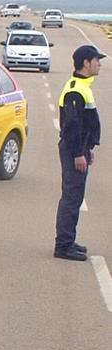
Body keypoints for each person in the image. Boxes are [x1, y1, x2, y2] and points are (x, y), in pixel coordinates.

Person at [54, 45, 105, 261]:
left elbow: (84, 124)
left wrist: (89, 148)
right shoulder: (76, 89)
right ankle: (63, 246)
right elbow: (72, 125)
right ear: (86, 62)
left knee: (74, 196)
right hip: (74, 149)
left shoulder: (83, 85)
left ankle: (68, 240)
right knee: (72, 197)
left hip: (81, 147)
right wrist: (78, 153)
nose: (99, 64)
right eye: (96, 60)